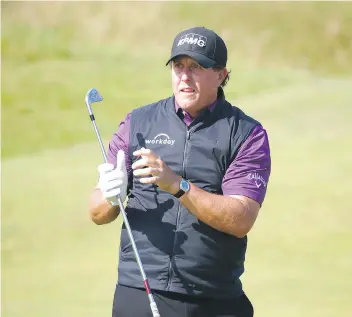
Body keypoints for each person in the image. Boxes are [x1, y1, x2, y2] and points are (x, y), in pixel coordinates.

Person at [89, 26, 271, 317]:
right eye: (178, 66)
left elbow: (241, 218)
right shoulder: (139, 123)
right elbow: (97, 213)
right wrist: (110, 196)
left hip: (213, 297)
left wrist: (177, 185)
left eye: (196, 67)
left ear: (221, 75)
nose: (184, 76)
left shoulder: (246, 133)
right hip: (140, 289)